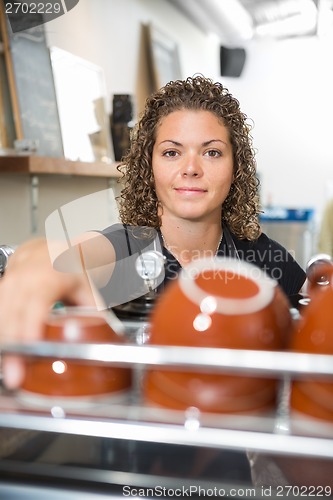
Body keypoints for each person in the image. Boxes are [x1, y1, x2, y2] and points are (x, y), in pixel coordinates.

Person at [0, 74, 312, 487]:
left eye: (212, 152)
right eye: (171, 152)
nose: (191, 168)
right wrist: (36, 257)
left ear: (236, 166)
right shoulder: (129, 249)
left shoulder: (265, 260)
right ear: (149, 164)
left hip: (237, 471)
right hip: (133, 467)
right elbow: (66, 255)